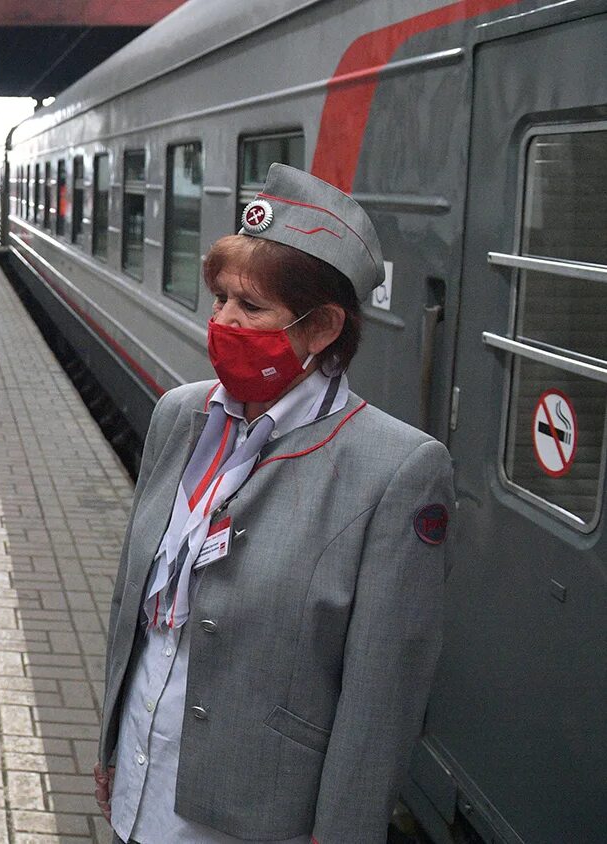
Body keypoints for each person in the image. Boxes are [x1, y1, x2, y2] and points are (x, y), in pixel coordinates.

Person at [94, 164, 453, 844]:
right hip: (143, 779)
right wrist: (111, 744)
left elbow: (382, 691)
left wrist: (343, 831)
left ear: (321, 330)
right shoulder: (181, 416)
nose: (223, 321)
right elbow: (130, 605)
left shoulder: (395, 469)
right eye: (220, 298)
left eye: (250, 308)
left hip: (257, 817)